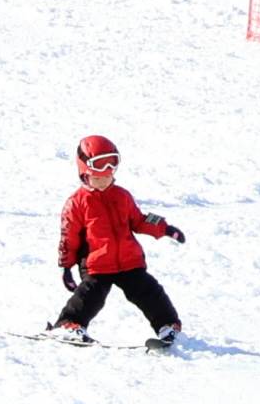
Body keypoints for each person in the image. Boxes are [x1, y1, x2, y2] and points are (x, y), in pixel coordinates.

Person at [51, 134, 184, 344]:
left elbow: (140, 220)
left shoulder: (122, 196)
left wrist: (164, 228)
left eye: (108, 177)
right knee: (89, 296)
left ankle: (168, 325)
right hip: (97, 264)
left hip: (129, 261)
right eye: (97, 178)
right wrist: (66, 267)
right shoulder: (76, 203)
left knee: (149, 291)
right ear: (84, 174)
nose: (103, 182)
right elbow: (69, 238)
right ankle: (68, 324)